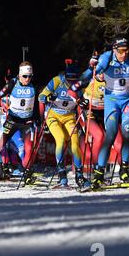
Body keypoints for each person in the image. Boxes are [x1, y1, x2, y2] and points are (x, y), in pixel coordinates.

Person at [81, 37, 129, 188]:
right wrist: (91, 67)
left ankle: (124, 171)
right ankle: (99, 173)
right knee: (110, 135)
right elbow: (85, 78)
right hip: (112, 100)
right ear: (114, 49)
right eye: (121, 51)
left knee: (127, 134)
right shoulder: (107, 58)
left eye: (126, 50)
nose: (124, 54)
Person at [39, 59, 91, 188]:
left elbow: (84, 101)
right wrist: (48, 98)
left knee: (74, 144)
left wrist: (84, 103)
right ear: (65, 76)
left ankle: (79, 175)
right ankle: (62, 174)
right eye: (68, 80)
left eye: (74, 80)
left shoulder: (80, 85)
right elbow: (41, 96)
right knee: (61, 139)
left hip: (69, 117)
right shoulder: (56, 81)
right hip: (53, 116)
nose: (71, 83)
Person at [0, 61, 39, 182]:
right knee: (0, 144)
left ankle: (27, 173)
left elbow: (42, 97)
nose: (27, 79)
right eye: (25, 76)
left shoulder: (34, 85)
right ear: (20, 75)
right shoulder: (13, 83)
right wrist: (0, 107)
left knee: (29, 149)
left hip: (27, 122)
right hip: (12, 120)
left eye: (30, 76)